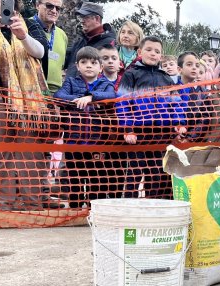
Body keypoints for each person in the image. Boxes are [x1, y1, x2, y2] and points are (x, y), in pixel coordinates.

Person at [0, 0, 58, 210]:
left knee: (30, 152)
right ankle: (7, 205)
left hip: (28, 101)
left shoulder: (28, 23)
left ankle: (33, 204)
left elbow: (41, 52)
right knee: (0, 154)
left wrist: (23, 36)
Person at [117, 36, 185, 198]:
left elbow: (176, 103)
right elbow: (122, 104)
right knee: (134, 173)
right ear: (140, 52)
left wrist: (179, 122)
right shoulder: (131, 74)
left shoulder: (167, 78)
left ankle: (153, 209)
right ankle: (128, 209)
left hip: (162, 133)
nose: (153, 54)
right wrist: (128, 129)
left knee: (156, 174)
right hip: (139, 133)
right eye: (148, 50)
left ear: (161, 56)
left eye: (157, 51)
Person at [54, 47, 116, 207]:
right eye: (84, 62)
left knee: (97, 177)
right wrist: (78, 98)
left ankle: (94, 207)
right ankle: (75, 207)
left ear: (100, 67)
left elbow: (112, 96)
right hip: (74, 142)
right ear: (77, 65)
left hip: (98, 143)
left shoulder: (105, 84)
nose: (89, 65)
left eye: (93, 62)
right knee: (75, 176)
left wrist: (91, 98)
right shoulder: (71, 82)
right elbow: (59, 96)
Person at [65, 1, 115, 78]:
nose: (82, 21)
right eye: (81, 17)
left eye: (85, 17)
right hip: (70, 88)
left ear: (97, 19)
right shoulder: (79, 42)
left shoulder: (110, 43)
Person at [33, 0, 68, 95]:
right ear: (37, 5)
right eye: (49, 6)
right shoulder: (24, 27)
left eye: (58, 8)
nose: (54, 11)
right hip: (32, 92)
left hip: (57, 95)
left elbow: (61, 66)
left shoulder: (62, 35)